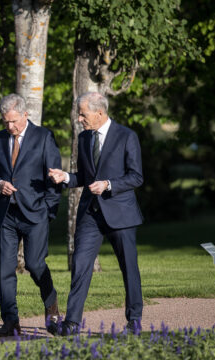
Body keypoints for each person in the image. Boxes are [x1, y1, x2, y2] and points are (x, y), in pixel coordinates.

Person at [48, 92, 144, 336]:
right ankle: (71, 323)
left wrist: (108, 185)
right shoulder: (83, 139)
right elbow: (84, 176)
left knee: (128, 268)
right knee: (80, 264)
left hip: (120, 214)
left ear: (100, 113)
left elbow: (136, 176)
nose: (79, 118)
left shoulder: (127, 136)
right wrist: (66, 177)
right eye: (79, 114)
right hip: (90, 213)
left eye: (83, 114)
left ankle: (134, 323)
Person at [0, 94, 62, 336]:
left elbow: (54, 178)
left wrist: (48, 210)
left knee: (35, 264)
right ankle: (10, 321)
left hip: (35, 213)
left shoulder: (43, 137)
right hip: (6, 213)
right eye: (6, 122)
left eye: (14, 121)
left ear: (26, 114)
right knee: (5, 268)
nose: (10, 127)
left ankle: (51, 306)